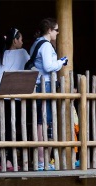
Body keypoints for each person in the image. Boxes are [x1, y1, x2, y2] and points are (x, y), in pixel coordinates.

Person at [29, 18, 67, 171]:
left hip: (38, 84)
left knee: (41, 121)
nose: (58, 33)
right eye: (56, 30)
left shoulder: (35, 43)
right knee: (43, 121)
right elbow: (48, 66)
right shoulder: (45, 45)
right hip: (44, 85)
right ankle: (41, 160)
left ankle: (42, 160)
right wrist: (62, 62)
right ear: (50, 30)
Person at [0, 27, 30, 171]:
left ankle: (3, 159)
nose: (22, 41)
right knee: (14, 127)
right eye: (20, 39)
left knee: (4, 127)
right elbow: (32, 68)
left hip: (0, 95)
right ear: (15, 40)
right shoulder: (23, 53)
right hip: (16, 95)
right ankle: (10, 160)